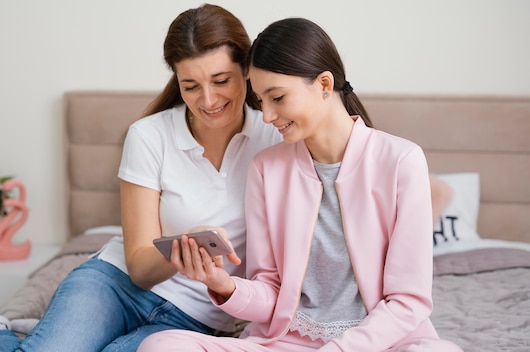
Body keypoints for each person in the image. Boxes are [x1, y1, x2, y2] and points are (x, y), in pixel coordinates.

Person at [0, 4, 281, 352]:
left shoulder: (275, 138)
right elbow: (140, 269)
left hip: (197, 317)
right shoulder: (149, 136)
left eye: (221, 81)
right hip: (114, 284)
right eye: (190, 86)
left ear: (246, 71)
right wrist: (181, 247)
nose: (208, 99)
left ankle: (3, 339)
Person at [137, 17, 463, 352]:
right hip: (288, 342)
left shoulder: (401, 160)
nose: (266, 115)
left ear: (324, 84)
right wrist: (223, 285)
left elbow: (408, 301)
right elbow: (271, 289)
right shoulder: (266, 168)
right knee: (161, 345)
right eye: (260, 100)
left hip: (383, 343)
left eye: (276, 98)